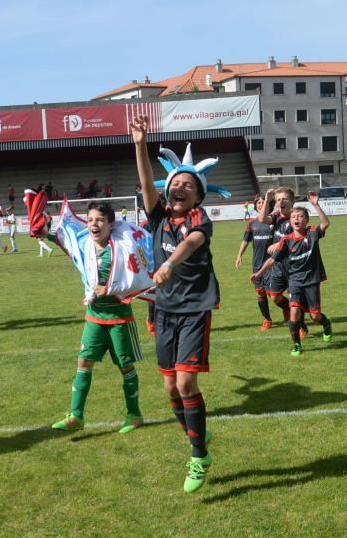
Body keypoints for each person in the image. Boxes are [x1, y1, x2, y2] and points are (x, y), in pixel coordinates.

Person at [132, 114, 225, 494]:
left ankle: (198, 453)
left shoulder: (201, 219)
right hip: (164, 309)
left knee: (187, 383)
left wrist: (168, 262)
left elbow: (190, 245)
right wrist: (140, 145)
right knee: (170, 390)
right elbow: (144, 183)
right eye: (175, 183)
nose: (180, 187)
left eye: (188, 184)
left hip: (194, 308)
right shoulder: (158, 218)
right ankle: (197, 442)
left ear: (198, 195)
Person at [51, 201, 145, 434]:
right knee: (84, 363)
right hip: (94, 316)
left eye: (100, 220)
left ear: (111, 225)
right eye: (91, 219)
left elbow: (137, 279)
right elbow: (69, 247)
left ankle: (134, 414)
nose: (94, 224)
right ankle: (76, 416)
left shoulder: (122, 249)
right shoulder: (85, 244)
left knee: (125, 366)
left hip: (119, 318)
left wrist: (111, 289)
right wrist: (45, 233)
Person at [251, 201, 332, 356]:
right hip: (294, 281)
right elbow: (272, 260)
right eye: (293, 216)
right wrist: (259, 274)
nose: (296, 219)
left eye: (300, 216)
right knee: (294, 312)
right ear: (290, 221)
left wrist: (316, 205)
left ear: (306, 220)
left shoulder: (312, 233)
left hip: (311, 282)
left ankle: (326, 323)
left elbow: (326, 223)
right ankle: (296, 345)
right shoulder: (286, 240)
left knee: (315, 316)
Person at [255, 186, 309, 337]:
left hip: (294, 266)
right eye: (278, 200)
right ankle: (290, 311)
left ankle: (301, 326)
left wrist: (277, 245)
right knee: (275, 296)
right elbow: (261, 219)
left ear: (292, 201)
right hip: (278, 266)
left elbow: (298, 240)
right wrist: (267, 199)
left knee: (295, 302)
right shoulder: (277, 216)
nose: (281, 202)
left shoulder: (296, 218)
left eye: (284, 199)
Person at [235, 194, 275, 331]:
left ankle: (290, 312)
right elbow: (245, 240)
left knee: (273, 294)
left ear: (269, 204)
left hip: (272, 264)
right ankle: (267, 319)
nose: (260, 204)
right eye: (258, 202)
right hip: (257, 264)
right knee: (260, 292)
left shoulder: (274, 221)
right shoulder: (251, 224)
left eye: (263, 202)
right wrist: (239, 255)